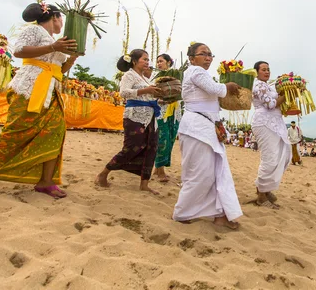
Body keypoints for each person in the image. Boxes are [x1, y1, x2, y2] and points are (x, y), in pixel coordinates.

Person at [0, 3, 78, 197]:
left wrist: (71, 59)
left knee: (55, 132)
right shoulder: (34, 30)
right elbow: (19, 51)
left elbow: (59, 70)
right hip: (29, 87)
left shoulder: (56, 40)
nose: (62, 22)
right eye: (61, 18)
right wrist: (53, 47)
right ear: (54, 17)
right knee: (14, 132)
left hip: (50, 91)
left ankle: (46, 181)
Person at [172, 42, 242, 230]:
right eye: (203, 54)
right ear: (192, 58)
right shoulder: (195, 71)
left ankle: (220, 214)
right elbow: (216, 90)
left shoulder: (199, 73)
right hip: (197, 128)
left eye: (210, 54)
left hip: (204, 127)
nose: (208, 57)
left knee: (214, 171)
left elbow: (213, 94)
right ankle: (183, 212)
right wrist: (227, 85)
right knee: (200, 173)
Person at [95, 49, 161, 194]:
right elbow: (123, 93)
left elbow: (149, 97)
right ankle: (104, 173)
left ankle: (144, 184)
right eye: (144, 59)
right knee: (132, 147)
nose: (147, 62)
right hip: (134, 117)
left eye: (148, 59)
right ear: (134, 61)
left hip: (150, 118)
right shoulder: (129, 75)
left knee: (151, 148)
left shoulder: (145, 79)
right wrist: (146, 90)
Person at [251, 60, 292, 209]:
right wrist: (287, 93)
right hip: (264, 123)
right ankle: (261, 194)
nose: (267, 72)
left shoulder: (267, 85)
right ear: (257, 72)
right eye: (263, 69)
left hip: (275, 123)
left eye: (268, 69)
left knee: (283, 155)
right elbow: (271, 105)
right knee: (269, 158)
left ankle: (266, 189)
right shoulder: (258, 85)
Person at [153, 53, 180, 183]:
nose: (158, 64)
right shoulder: (155, 76)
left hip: (175, 110)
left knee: (171, 138)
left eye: (161, 61)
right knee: (163, 138)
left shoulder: (175, 73)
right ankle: (160, 169)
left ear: (169, 62)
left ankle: (158, 168)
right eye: (157, 62)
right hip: (161, 110)